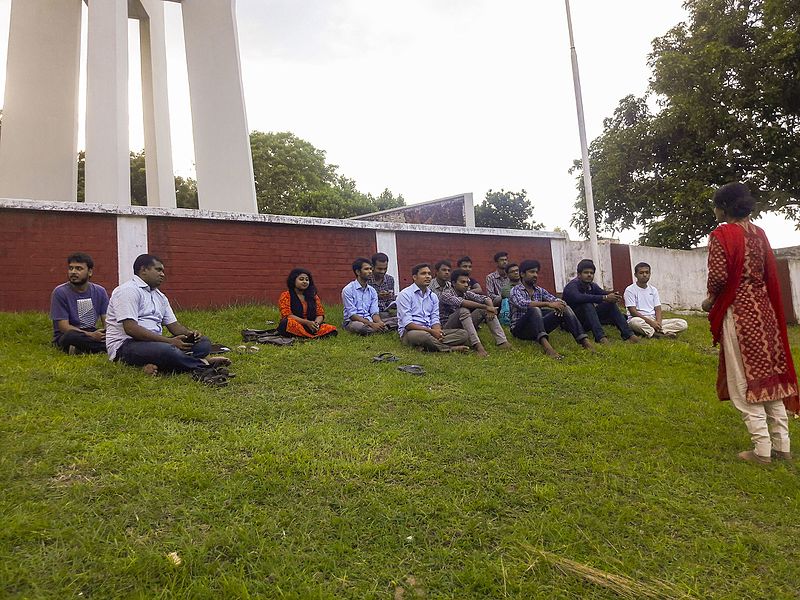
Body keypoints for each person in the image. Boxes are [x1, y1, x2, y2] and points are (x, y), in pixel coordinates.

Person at [702, 182, 798, 464]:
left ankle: (762, 451)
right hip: (765, 314)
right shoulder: (760, 234)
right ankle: (783, 447)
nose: (714, 209)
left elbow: (719, 278)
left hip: (740, 314)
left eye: (716, 204)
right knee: (771, 377)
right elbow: (769, 272)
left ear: (724, 208)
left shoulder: (722, 234)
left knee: (744, 380)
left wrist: (710, 301)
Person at [105, 254, 231, 385]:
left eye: (163, 271)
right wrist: (169, 342)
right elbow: (131, 329)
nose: (162, 274)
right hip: (126, 345)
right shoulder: (128, 291)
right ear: (143, 270)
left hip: (154, 343)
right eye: (158, 270)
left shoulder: (160, 296)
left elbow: (174, 326)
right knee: (167, 351)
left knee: (203, 343)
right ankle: (203, 365)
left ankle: (164, 363)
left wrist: (190, 334)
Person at [509, 259, 593, 359]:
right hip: (521, 330)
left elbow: (554, 299)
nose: (535, 275)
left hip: (537, 327)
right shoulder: (515, 290)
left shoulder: (539, 290)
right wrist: (549, 304)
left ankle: (585, 342)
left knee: (565, 308)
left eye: (536, 272)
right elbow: (522, 304)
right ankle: (548, 349)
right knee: (535, 309)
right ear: (522, 274)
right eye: (532, 272)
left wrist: (560, 304)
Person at [397, 263, 470, 352]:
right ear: (415, 277)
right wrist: (431, 332)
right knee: (423, 336)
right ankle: (449, 349)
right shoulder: (405, 294)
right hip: (411, 332)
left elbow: (435, 318)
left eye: (429, 274)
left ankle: (428, 346)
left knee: (463, 334)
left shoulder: (433, 296)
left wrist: (438, 332)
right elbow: (408, 324)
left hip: (430, 331)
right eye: (423, 274)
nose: (427, 276)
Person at [563, 259, 639, 344]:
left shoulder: (592, 286)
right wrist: (604, 297)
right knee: (587, 303)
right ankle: (600, 337)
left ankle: (629, 335)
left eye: (591, 273)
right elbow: (578, 297)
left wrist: (613, 295)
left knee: (610, 304)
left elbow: (602, 294)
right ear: (579, 274)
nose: (589, 275)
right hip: (571, 323)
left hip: (586, 321)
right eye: (586, 272)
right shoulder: (572, 286)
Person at [440, 269, 511, 356]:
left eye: (467, 282)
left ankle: (502, 341)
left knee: (484, 310)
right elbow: (463, 303)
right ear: (454, 283)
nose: (466, 285)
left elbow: (486, 298)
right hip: (448, 328)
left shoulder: (466, 293)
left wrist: (490, 308)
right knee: (464, 310)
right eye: (462, 282)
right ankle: (478, 347)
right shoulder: (446, 294)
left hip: (464, 323)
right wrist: (487, 307)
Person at [49, 252, 109, 354]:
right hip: (68, 335)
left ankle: (83, 349)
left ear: (90, 272)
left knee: (118, 334)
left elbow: (107, 320)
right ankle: (104, 348)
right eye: (71, 268)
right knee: (70, 337)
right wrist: (91, 336)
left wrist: (107, 334)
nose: (73, 272)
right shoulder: (60, 292)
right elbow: (63, 327)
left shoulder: (100, 291)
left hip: (91, 332)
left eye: (79, 269)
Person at [624, 263, 688, 338]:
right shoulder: (630, 290)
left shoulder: (653, 290)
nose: (644, 275)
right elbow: (633, 312)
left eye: (647, 272)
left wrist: (658, 323)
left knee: (682, 323)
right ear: (636, 275)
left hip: (653, 319)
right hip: (640, 319)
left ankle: (658, 331)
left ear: (650, 274)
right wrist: (651, 323)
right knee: (635, 323)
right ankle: (657, 335)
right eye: (641, 273)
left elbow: (658, 308)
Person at [278, 268, 337, 339]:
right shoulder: (286, 295)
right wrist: (306, 322)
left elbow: (320, 314)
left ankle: (304, 335)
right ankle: (311, 336)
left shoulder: (313, 296)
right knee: (285, 323)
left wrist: (316, 324)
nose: (305, 282)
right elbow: (287, 315)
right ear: (293, 281)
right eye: (301, 279)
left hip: (311, 325)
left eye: (307, 280)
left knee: (332, 329)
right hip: (297, 324)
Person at [342, 258, 389, 335]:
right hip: (353, 322)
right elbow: (352, 315)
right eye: (366, 269)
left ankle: (380, 328)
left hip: (369, 319)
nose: (370, 271)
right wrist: (372, 324)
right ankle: (380, 329)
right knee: (360, 327)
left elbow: (374, 312)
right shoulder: (348, 290)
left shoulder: (372, 290)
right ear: (358, 272)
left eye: (371, 269)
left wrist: (380, 323)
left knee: (396, 319)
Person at [367, 252, 399, 328]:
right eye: (380, 269)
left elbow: (390, 301)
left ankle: (386, 324)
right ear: (372, 267)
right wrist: (377, 296)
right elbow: (362, 302)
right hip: (371, 312)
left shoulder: (389, 279)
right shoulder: (366, 280)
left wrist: (395, 301)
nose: (383, 271)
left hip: (386, 311)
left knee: (403, 315)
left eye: (385, 268)